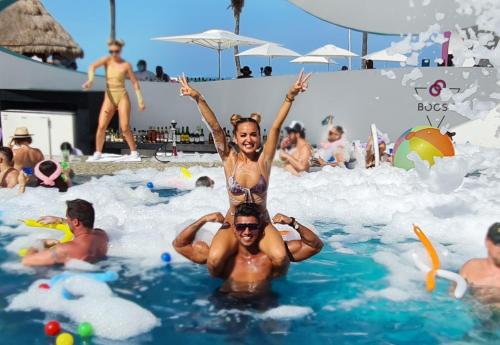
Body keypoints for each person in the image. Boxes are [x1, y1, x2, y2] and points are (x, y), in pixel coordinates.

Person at [179, 70, 310, 277]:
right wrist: (197, 98)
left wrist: (290, 96)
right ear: (236, 138)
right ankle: (222, 293)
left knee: (279, 258)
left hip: (262, 221)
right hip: (233, 221)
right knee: (214, 260)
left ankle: (272, 291)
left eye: (253, 134)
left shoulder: (263, 160)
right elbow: (214, 128)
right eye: (243, 135)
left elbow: (275, 127)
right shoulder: (229, 159)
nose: (248, 139)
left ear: (259, 136)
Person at [173, 203, 323, 295]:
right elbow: (180, 245)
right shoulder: (220, 257)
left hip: (266, 305)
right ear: (233, 229)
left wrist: (293, 223)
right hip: (227, 304)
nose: (246, 232)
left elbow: (314, 246)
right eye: (241, 227)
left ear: (260, 229)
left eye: (252, 227)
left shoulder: (274, 255)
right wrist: (203, 220)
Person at [82, 40, 145, 161]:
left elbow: (134, 82)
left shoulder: (126, 65)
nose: (114, 53)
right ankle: (98, 152)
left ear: (120, 50)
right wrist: (90, 80)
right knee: (101, 126)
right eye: (111, 51)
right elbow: (92, 66)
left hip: (121, 95)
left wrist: (140, 100)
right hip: (109, 96)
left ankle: (134, 151)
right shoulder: (107, 60)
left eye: (116, 51)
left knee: (125, 127)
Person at [22, 199, 109, 266]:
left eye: (67, 218)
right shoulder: (102, 235)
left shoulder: (65, 249)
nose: (66, 220)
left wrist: (41, 243)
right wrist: (60, 220)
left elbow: (26, 261)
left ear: (75, 222)